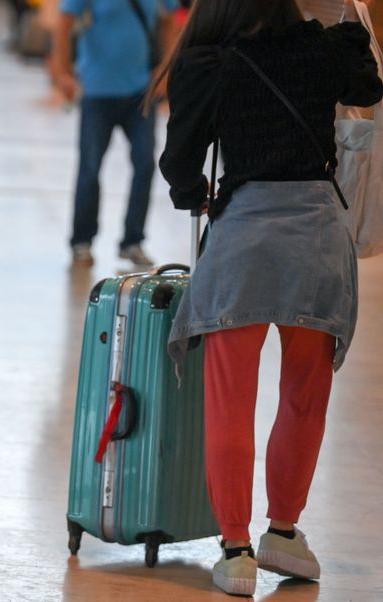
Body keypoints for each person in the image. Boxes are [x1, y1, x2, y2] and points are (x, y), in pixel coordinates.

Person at [158, 0, 381, 596]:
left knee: (231, 397)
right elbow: (370, 88)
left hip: (244, 238)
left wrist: (193, 193)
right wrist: (352, 31)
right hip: (317, 239)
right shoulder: (325, 48)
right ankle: (284, 531)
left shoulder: (213, 62)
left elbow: (179, 162)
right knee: (305, 396)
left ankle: (236, 550)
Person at [51, 0, 178, 267]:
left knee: (145, 164)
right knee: (90, 167)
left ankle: (133, 241)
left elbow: (170, 21)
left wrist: (166, 68)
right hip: (97, 91)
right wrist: (62, 72)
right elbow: (63, 23)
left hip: (140, 92)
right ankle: (81, 241)